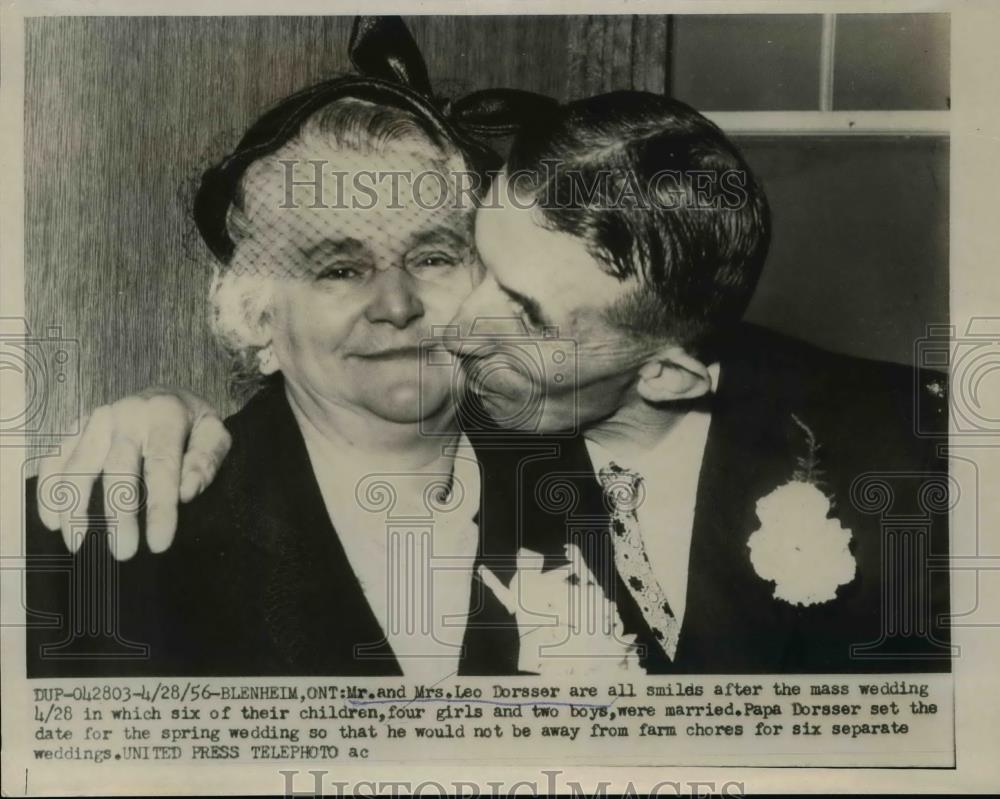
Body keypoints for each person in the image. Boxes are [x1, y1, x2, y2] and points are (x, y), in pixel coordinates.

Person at [32, 19, 950, 674]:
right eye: (336, 269)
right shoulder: (102, 545)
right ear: (256, 320)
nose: (396, 305)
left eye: (432, 254)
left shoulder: (595, 453)